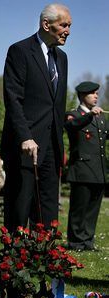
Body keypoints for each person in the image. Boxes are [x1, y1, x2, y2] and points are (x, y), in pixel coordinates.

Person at [2, 3, 71, 231]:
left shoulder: (62, 59)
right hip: (25, 145)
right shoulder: (20, 51)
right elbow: (13, 98)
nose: (68, 30)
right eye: (63, 25)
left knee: (48, 209)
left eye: (69, 25)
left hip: (51, 146)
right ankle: (14, 261)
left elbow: (54, 105)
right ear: (46, 24)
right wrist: (24, 136)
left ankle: (46, 260)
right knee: (20, 207)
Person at [64, 81, 105, 251]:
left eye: (97, 93)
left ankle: (87, 240)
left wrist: (94, 115)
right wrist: (89, 115)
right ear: (82, 96)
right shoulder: (73, 114)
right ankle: (75, 241)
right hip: (81, 169)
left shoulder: (101, 118)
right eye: (92, 93)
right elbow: (72, 125)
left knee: (92, 209)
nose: (96, 96)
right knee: (79, 208)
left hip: (99, 170)